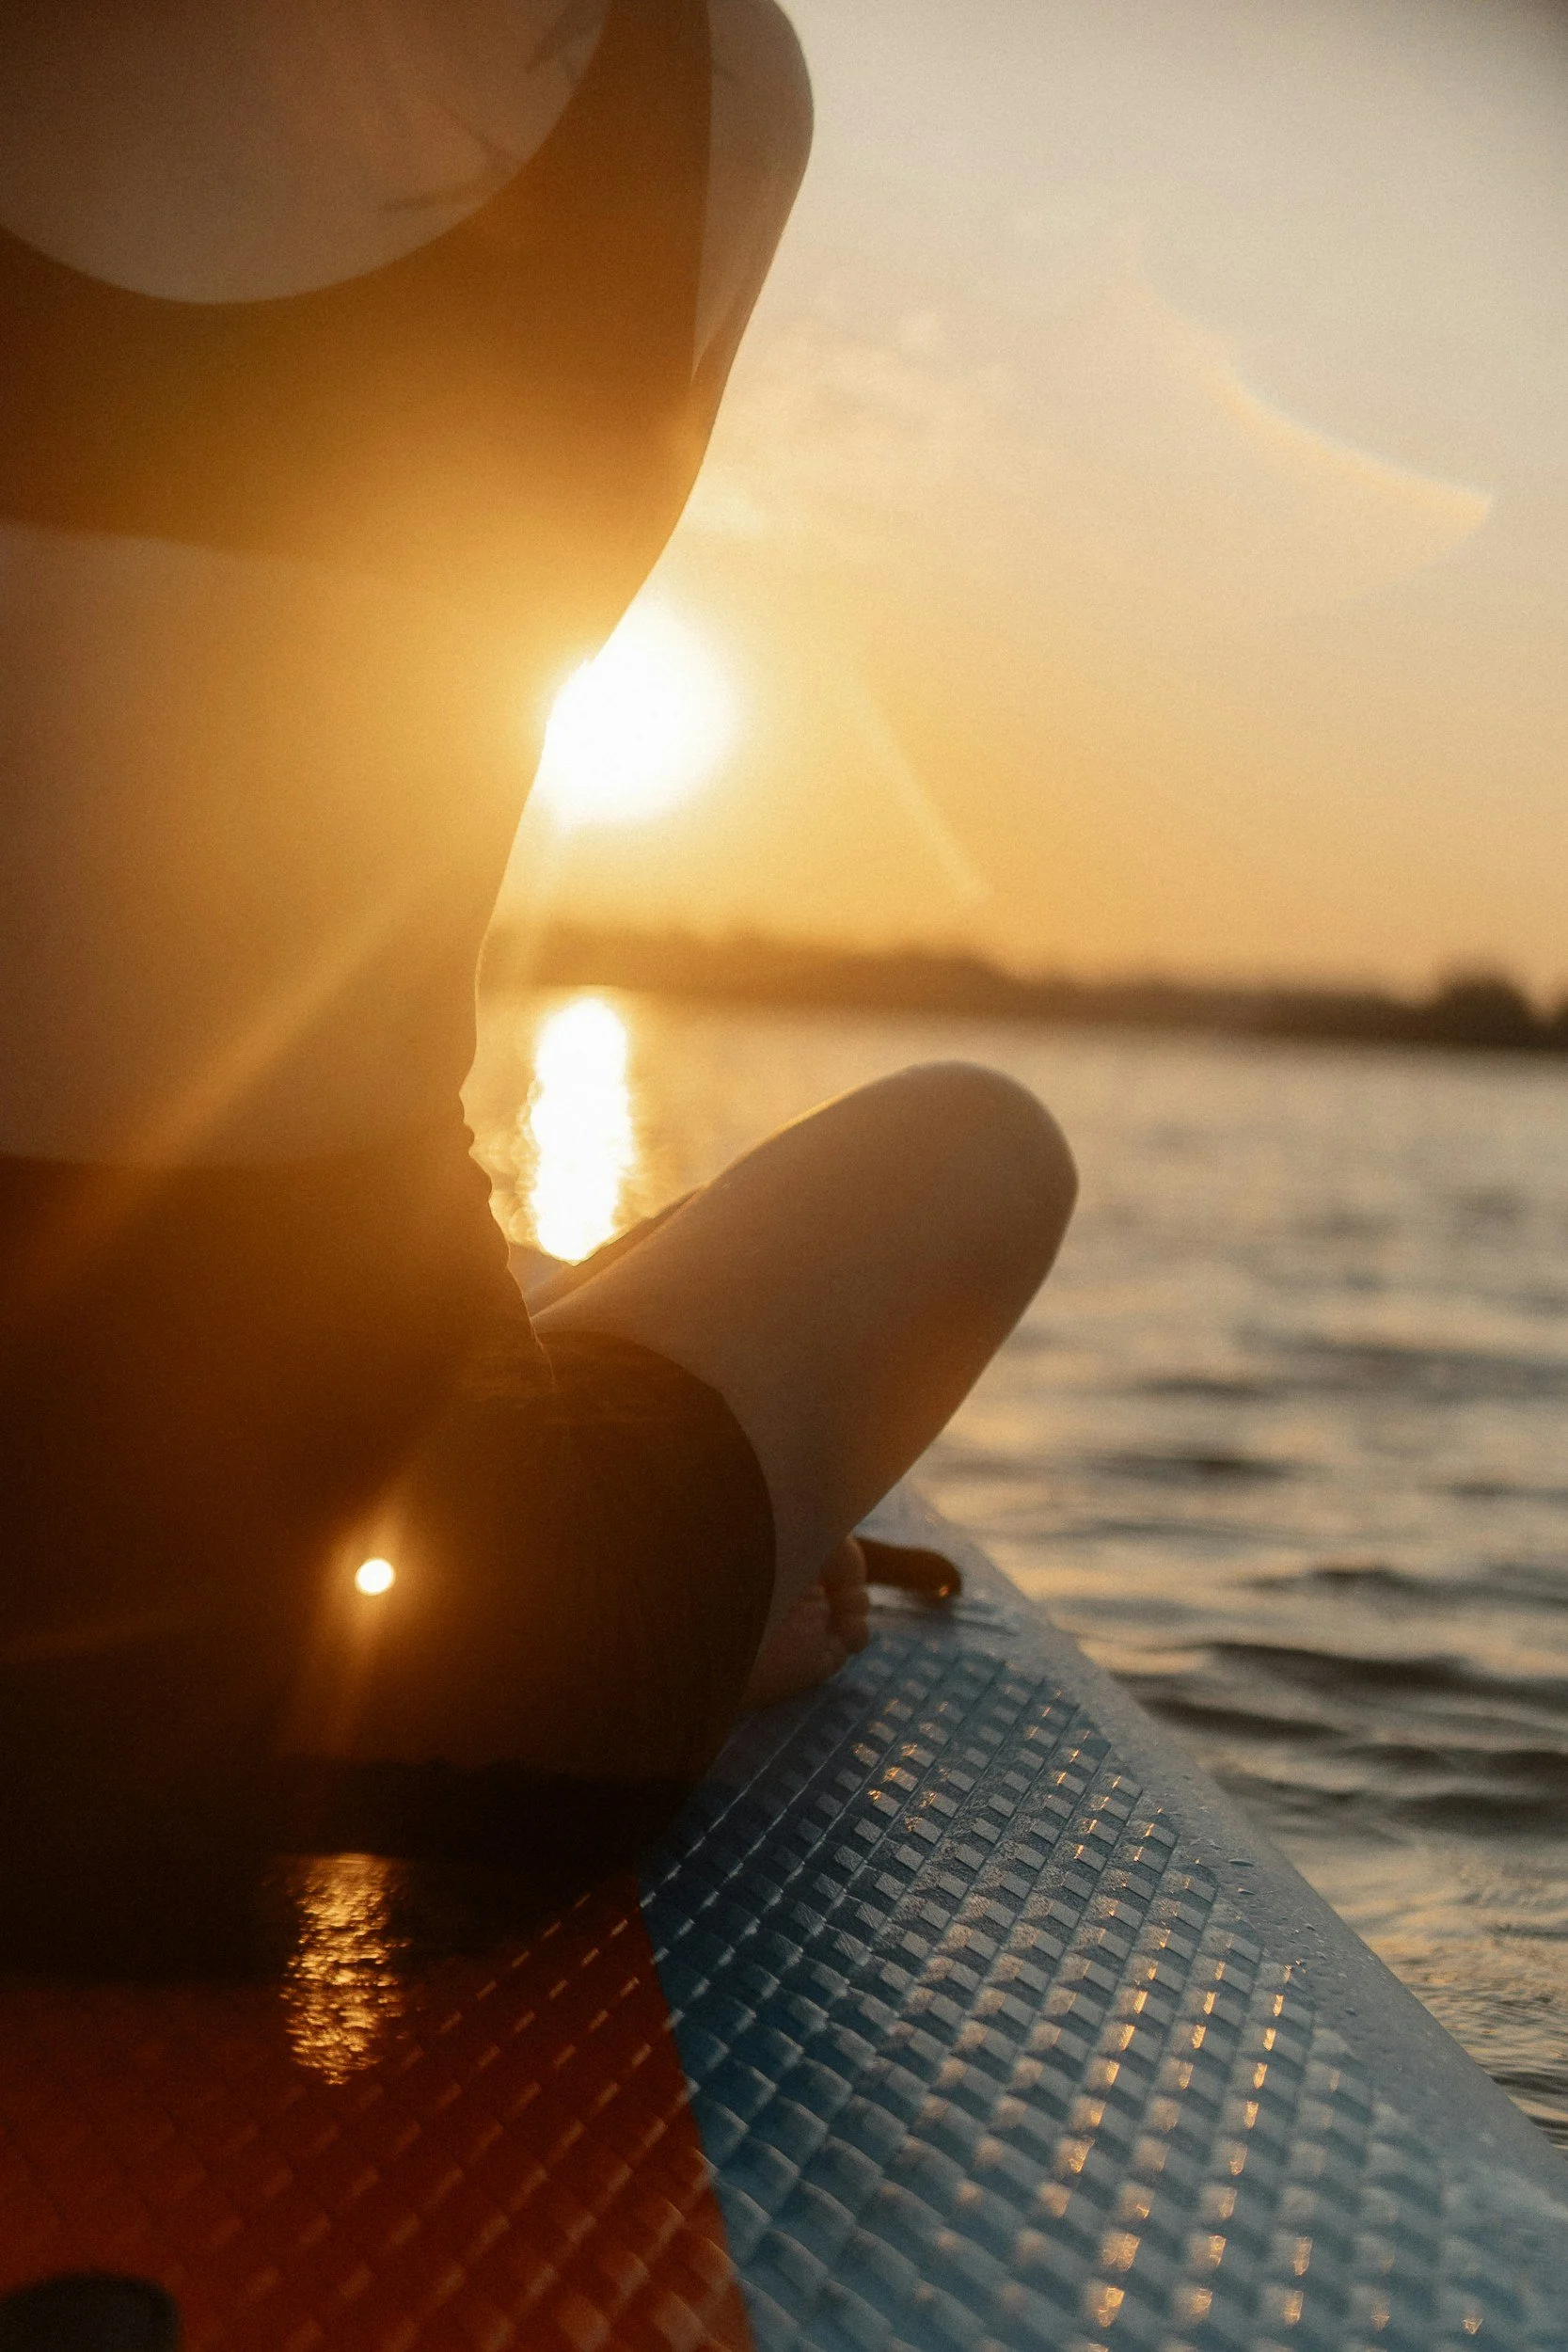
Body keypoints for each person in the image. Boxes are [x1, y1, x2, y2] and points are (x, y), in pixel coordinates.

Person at [0, 0, 1077, 1912]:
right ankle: (622, 1460)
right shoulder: (703, 82)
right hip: (415, 1690)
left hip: (322, 1654)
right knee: (980, 1139)